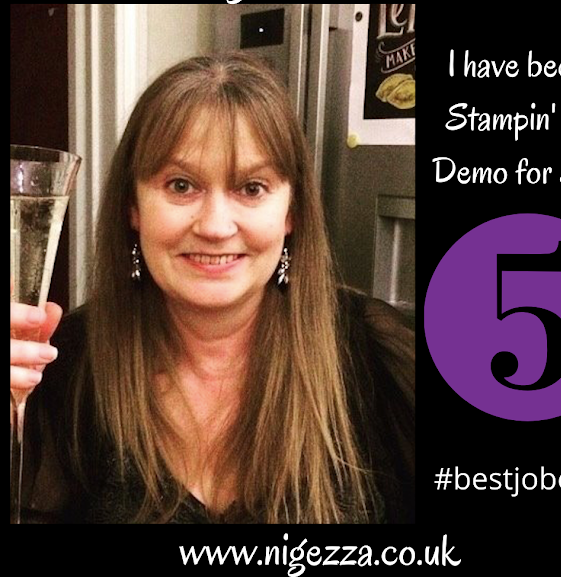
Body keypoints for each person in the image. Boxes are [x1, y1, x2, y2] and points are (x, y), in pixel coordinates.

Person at [10, 53, 415, 524]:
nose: (216, 226)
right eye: (181, 186)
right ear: (132, 208)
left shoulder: (374, 358)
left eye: (252, 188)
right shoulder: (62, 369)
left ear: (291, 212)